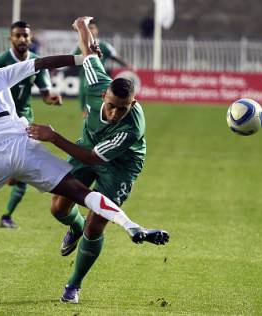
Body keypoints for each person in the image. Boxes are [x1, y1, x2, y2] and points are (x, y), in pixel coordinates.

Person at [0, 49, 168, 293]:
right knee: (82, 194)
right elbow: (41, 63)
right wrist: (79, 59)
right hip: (23, 145)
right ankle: (131, 226)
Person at [27, 16, 168, 304]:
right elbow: (89, 52)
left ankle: (73, 286)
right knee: (58, 208)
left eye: (123, 108)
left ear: (134, 104)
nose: (115, 113)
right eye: (112, 106)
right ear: (104, 93)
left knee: (95, 224)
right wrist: (81, 25)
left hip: (119, 169)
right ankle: (74, 227)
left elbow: (94, 158)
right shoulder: (96, 83)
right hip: (87, 147)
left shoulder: (131, 128)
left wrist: (53, 137)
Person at [0, 21, 62, 229]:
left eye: (25, 36)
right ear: (11, 38)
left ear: (30, 38)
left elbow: (45, 94)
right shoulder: (0, 61)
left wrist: (51, 97)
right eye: (17, 35)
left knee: (24, 172)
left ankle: (6, 216)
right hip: (0, 123)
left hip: (23, 122)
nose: (21, 39)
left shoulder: (37, 63)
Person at [72, 19, 133, 116]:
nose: (91, 31)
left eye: (93, 28)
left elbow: (115, 56)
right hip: (84, 78)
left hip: (98, 80)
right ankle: (88, 123)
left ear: (97, 30)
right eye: (89, 29)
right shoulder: (80, 47)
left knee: (98, 106)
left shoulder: (104, 46)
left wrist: (127, 65)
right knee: (84, 108)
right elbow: (71, 59)